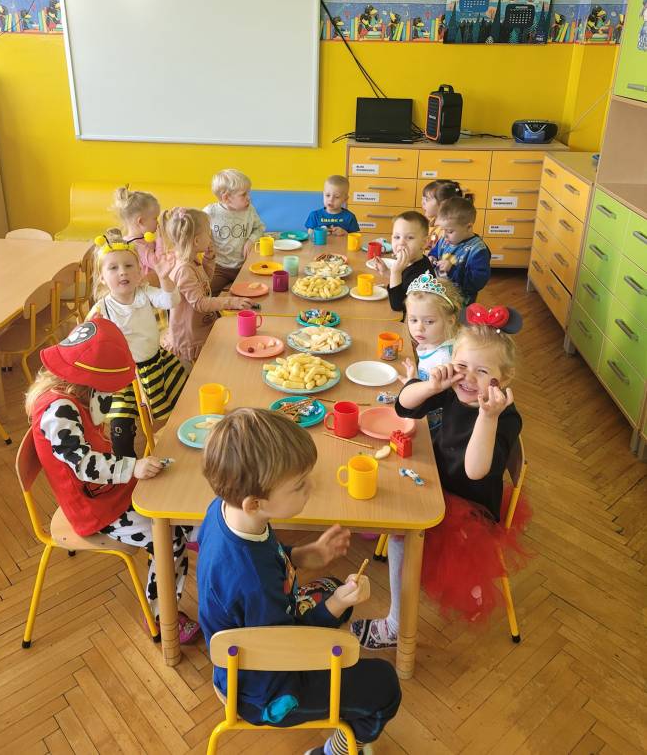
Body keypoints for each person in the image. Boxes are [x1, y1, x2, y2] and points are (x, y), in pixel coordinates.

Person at [197, 408, 401, 755]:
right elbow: (284, 648)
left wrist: (305, 555)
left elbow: (266, 559)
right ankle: (333, 752)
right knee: (385, 687)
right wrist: (337, 604)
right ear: (254, 503)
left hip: (253, 650)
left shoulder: (225, 510)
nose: (311, 487)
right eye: (299, 485)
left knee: (329, 586)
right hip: (270, 689)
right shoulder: (252, 582)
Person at [352, 304, 530, 648]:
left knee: (403, 532)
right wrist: (431, 386)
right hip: (437, 479)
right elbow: (404, 405)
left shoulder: (505, 418)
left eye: (482, 371)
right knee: (385, 487)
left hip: (468, 507)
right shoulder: (453, 389)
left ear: (504, 379)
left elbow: (475, 471)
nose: (469, 378)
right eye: (462, 366)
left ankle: (395, 625)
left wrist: (488, 418)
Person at [25, 317, 199, 642]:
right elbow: (83, 465)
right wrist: (132, 468)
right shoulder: (57, 411)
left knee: (174, 500)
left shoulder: (74, 393)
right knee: (168, 537)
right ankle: (163, 616)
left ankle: (195, 535)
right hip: (94, 510)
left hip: (111, 489)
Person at [87, 232, 186, 458]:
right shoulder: (101, 310)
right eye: (113, 268)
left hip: (156, 365)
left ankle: (182, 443)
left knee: (183, 401)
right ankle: (128, 466)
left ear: (139, 271)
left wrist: (164, 277)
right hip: (122, 378)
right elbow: (86, 343)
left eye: (129, 265)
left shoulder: (145, 293)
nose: (123, 272)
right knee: (121, 432)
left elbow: (172, 300)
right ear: (102, 277)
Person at [159, 207, 253, 366]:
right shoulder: (184, 269)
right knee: (204, 369)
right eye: (208, 234)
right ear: (196, 241)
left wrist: (208, 260)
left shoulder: (191, 259)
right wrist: (231, 302)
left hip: (200, 325)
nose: (211, 238)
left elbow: (204, 283)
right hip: (190, 335)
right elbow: (200, 303)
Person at [204, 169, 265, 296]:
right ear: (226, 198)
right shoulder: (211, 212)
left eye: (248, 193)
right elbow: (195, 228)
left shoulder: (249, 210)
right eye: (243, 194)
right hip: (219, 268)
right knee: (206, 293)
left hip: (245, 266)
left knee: (257, 292)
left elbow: (259, 228)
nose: (249, 197)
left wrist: (251, 240)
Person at [429, 197, 491, 305]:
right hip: (439, 292)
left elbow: (477, 282)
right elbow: (436, 252)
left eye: (450, 231)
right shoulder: (445, 239)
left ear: (468, 227)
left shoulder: (478, 251)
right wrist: (431, 257)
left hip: (460, 301)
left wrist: (452, 269)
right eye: (443, 230)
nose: (444, 235)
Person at [371, 211, 433, 312]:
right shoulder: (411, 261)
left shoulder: (423, 274)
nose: (401, 242)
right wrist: (387, 272)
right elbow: (405, 282)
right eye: (397, 237)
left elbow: (398, 306)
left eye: (410, 237)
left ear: (424, 242)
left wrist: (395, 272)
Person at [112, 185, 162, 280]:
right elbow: (159, 264)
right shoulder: (135, 245)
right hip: (145, 287)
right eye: (155, 218)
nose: (157, 222)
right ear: (141, 221)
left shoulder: (143, 239)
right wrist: (160, 239)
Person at [420, 179, 468, 254]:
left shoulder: (446, 230)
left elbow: (443, 254)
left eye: (427, 199)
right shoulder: (431, 220)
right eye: (422, 199)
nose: (422, 203)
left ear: (443, 204)